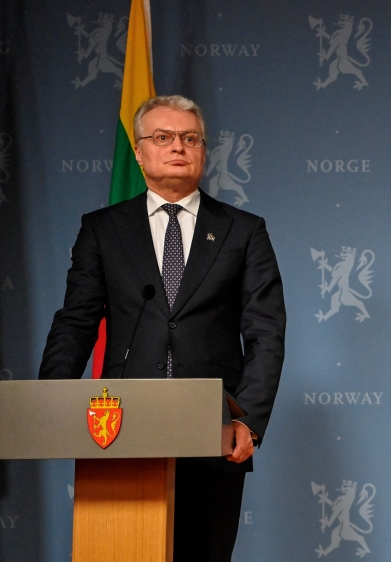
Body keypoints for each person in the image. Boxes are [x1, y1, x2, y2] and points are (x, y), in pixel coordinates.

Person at [39, 94, 285, 561]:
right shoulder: (103, 229)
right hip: (119, 429)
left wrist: (247, 420)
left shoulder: (243, 230)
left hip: (212, 431)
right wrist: (51, 400)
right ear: (138, 151)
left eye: (190, 139)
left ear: (204, 151)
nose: (178, 147)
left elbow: (266, 332)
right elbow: (76, 321)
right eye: (164, 137)